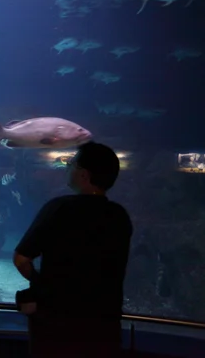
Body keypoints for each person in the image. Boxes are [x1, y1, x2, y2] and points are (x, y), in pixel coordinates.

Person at [13, 141, 133, 358]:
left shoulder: (59, 208)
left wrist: (42, 285)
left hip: (57, 324)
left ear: (84, 175)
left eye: (71, 163)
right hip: (104, 326)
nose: (67, 166)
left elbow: (21, 258)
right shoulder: (119, 216)